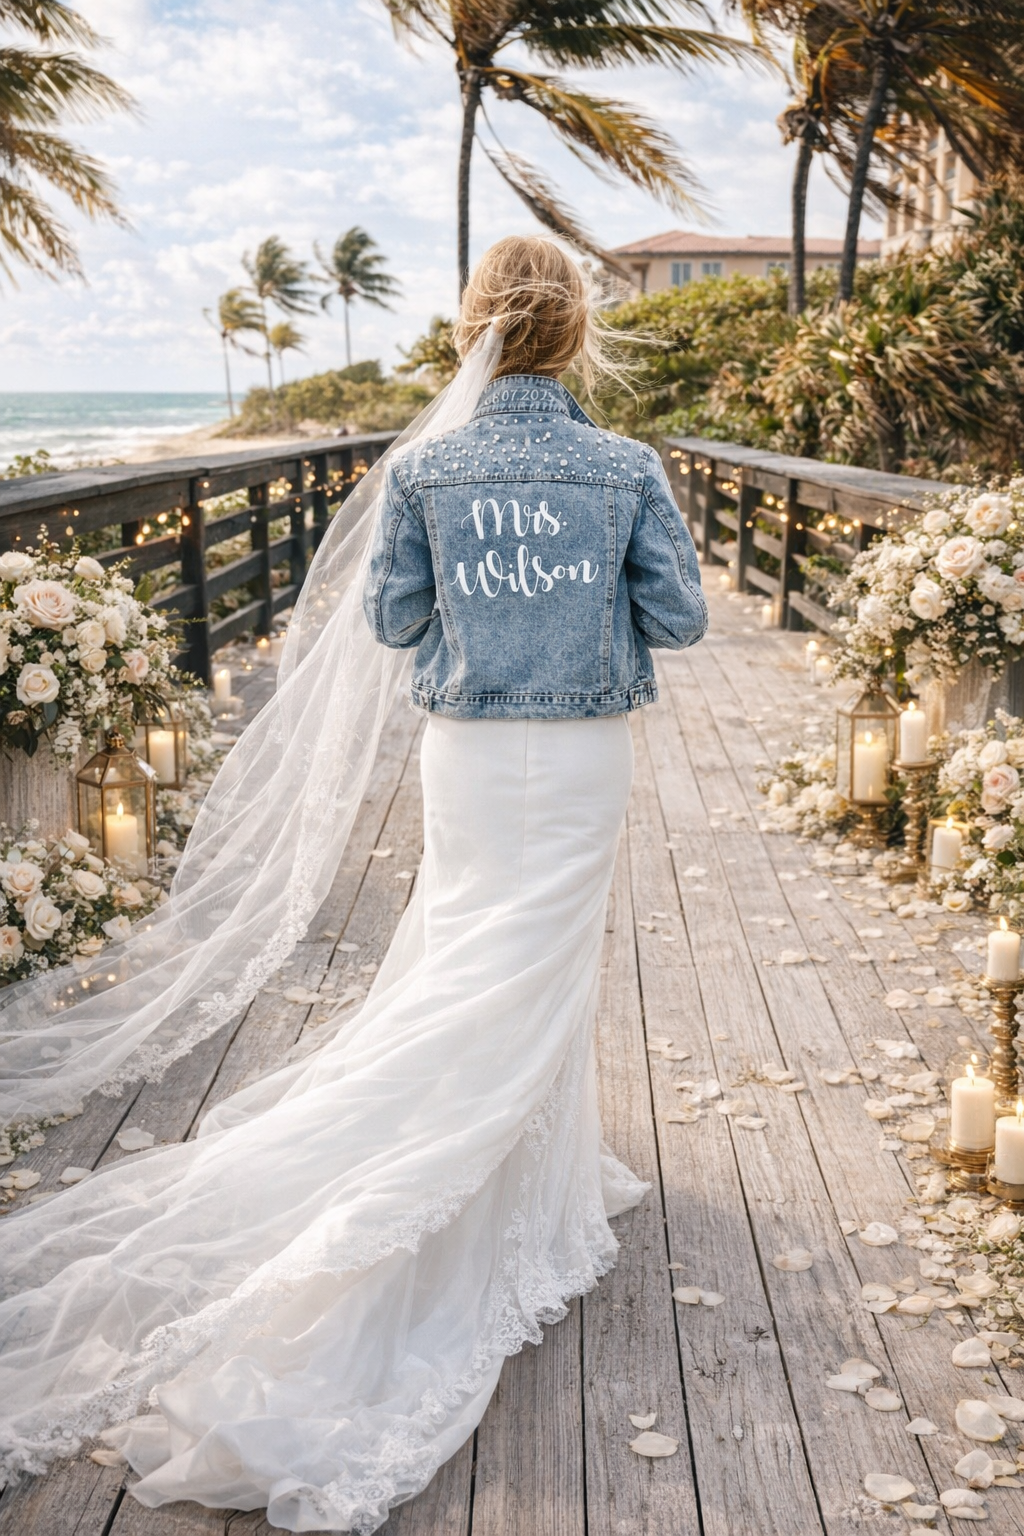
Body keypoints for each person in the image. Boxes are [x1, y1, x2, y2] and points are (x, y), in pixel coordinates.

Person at [0, 236, 706, 1533]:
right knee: (537, 971)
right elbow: (679, 620)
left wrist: (480, 617)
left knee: (463, 967)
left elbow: (390, 621)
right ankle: (511, 1185)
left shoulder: (431, 467)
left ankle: (523, 1179)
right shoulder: (624, 470)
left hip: (476, 762)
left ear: (479, 330)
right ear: (572, 335)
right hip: (583, 753)